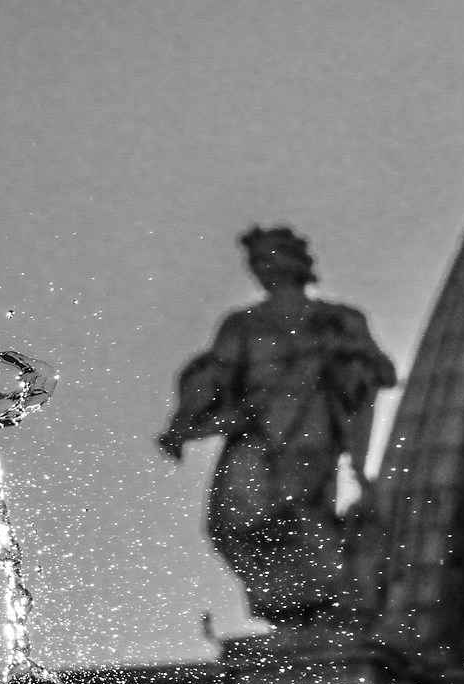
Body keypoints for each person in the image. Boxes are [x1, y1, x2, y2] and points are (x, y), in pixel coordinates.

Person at [160, 226, 396, 626]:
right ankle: (293, 600)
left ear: (297, 262)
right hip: (253, 429)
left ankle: (329, 599)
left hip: (310, 428)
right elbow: (216, 376)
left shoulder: (337, 319)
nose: (264, 268)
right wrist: (183, 424)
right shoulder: (242, 324)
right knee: (227, 523)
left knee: (300, 512)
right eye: (258, 262)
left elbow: (383, 372)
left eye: (272, 258)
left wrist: (347, 353)